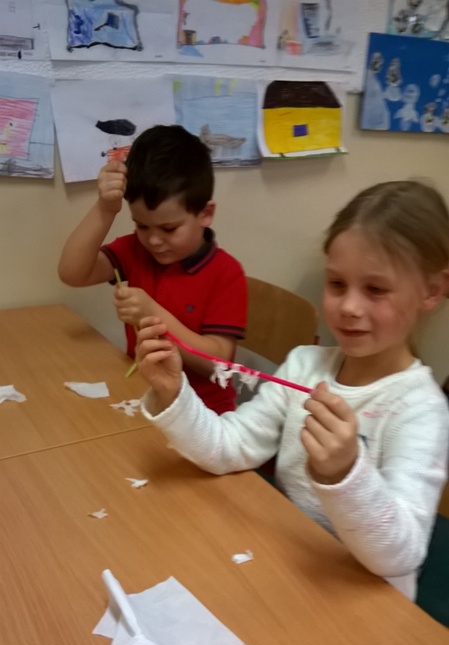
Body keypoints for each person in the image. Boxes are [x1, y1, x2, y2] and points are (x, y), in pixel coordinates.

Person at [135, 180, 449, 602]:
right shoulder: (305, 366)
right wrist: (174, 393)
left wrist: (345, 474)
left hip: (363, 601)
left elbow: (400, 556)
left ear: (431, 291)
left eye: (375, 289)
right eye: (337, 284)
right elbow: (228, 447)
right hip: (287, 565)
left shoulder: (421, 409)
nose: (349, 307)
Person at [58, 124, 247, 414]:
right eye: (142, 226)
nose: (154, 241)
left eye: (169, 228)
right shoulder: (137, 250)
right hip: (142, 397)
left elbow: (218, 363)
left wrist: (154, 315)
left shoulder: (226, 273)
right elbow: (72, 273)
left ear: (205, 213)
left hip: (203, 416)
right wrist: (105, 209)